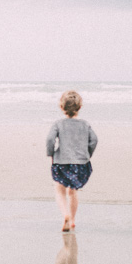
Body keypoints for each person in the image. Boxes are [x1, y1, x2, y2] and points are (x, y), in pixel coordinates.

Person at [45, 90, 97, 231]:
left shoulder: (58, 124)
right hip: (80, 163)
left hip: (61, 162)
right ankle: (72, 219)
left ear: (62, 107)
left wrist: (51, 153)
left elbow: (50, 139)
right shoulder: (85, 125)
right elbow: (94, 140)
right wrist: (87, 154)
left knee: (59, 190)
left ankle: (65, 214)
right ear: (80, 107)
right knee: (73, 191)